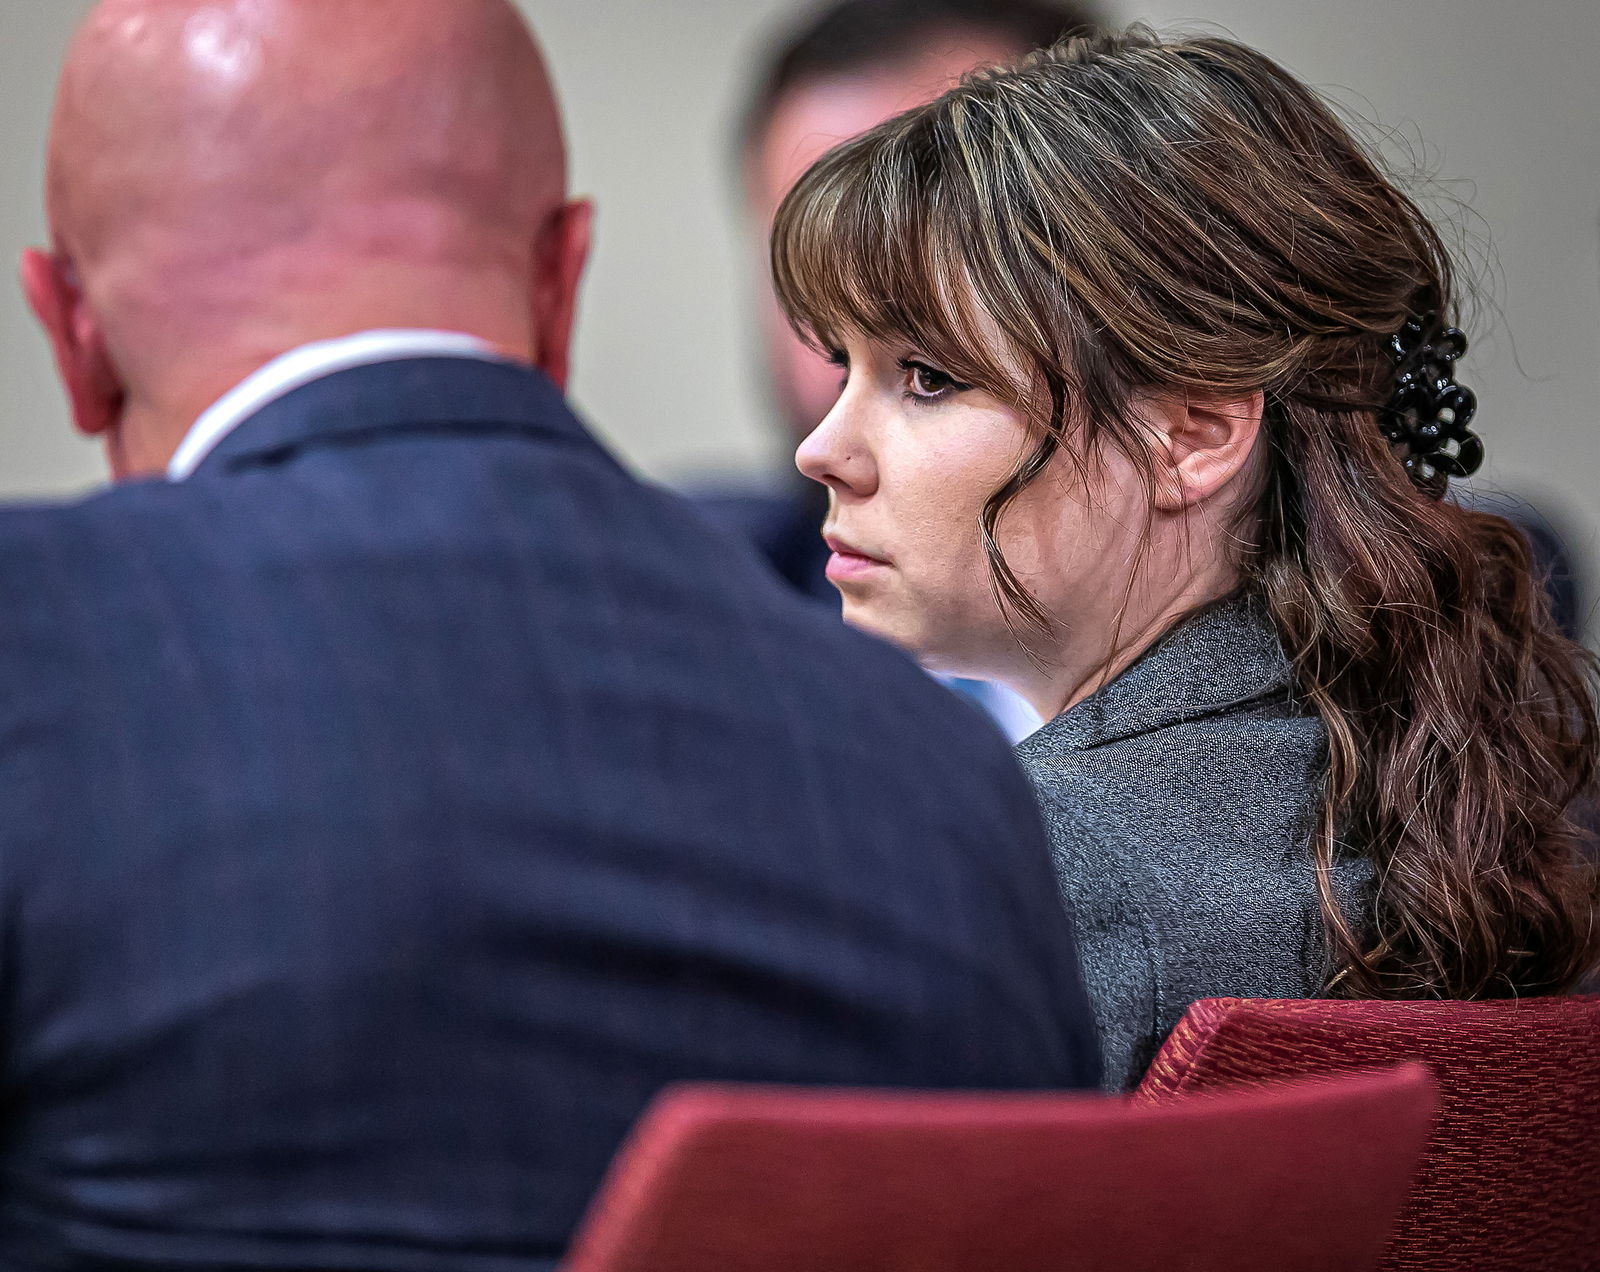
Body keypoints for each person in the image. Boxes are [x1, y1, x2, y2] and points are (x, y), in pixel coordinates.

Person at [2, 0, 1100, 1265]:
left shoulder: (31, 647)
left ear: (73, 335)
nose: (833, 425)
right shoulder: (941, 768)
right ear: (559, 279)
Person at [773, 27, 1600, 1089]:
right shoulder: (1491, 800)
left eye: (927, 377)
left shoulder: (1030, 865)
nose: (822, 450)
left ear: (1195, 436)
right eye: (843, 365)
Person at [699, 0, 1103, 741]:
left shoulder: (1342, 683)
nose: (840, 324)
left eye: (934, 264)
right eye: (805, 267)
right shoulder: (685, 601)